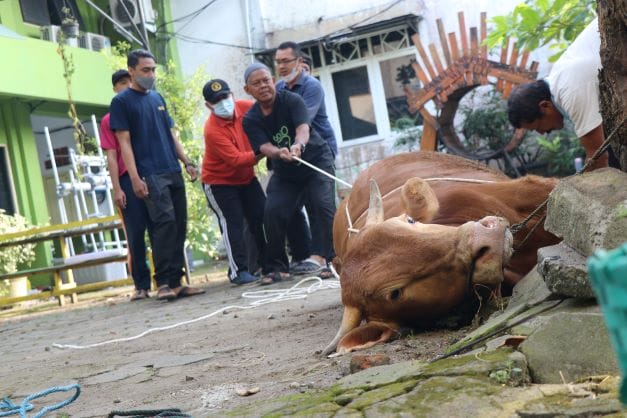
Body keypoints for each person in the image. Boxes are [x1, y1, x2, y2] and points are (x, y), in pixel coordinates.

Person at [110, 49, 205, 301]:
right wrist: (134, 178)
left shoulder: (157, 98)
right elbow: (124, 143)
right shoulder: (121, 102)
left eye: (153, 70)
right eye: (145, 70)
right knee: (163, 226)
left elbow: (172, 134)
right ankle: (163, 282)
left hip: (172, 170)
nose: (151, 74)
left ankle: (177, 281)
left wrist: (186, 161)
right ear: (131, 71)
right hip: (150, 174)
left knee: (178, 225)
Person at [242, 62, 336, 285]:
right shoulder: (250, 118)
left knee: (323, 206)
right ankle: (277, 267)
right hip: (285, 171)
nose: (263, 86)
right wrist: (278, 152)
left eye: (266, 80)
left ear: (273, 81)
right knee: (272, 211)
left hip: (315, 161)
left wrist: (297, 146)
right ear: (248, 90)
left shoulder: (292, 100)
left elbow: (303, 129)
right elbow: (263, 146)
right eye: (257, 83)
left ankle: (334, 260)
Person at [507, 17, 618, 171]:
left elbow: (598, 157)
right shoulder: (561, 80)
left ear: (544, 106)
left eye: (536, 127)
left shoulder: (569, 91)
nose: (542, 133)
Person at [275, 41, 339, 275]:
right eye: (278, 62)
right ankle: (314, 255)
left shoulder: (312, 86)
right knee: (293, 205)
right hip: (294, 155)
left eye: (286, 61)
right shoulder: (278, 88)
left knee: (322, 204)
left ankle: (333, 257)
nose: (281, 66)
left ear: (299, 62)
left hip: (320, 152)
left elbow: (302, 121)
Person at [201, 78, 265, 285]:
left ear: (233, 95)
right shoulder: (212, 130)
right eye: (216, 100)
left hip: (246, 178)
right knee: (232, 222)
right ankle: (238, 271)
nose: (223, 102)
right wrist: (265, 149)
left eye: (225, 97)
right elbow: (236, 160)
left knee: (262, 215)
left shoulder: (247, 108)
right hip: (219, 182)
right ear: (208, 105)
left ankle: (267, 264)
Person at [100, 69, 152, 301]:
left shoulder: (144, 109)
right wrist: (117, 188)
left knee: (161, 229)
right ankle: (141, 285)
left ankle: (168, 280)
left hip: (152, 174)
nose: (127, 85)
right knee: (135, 233)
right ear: (114, 88)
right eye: (122, 82)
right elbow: (111, 155)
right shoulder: (109, 120)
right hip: (126, 180)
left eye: (129, 81)